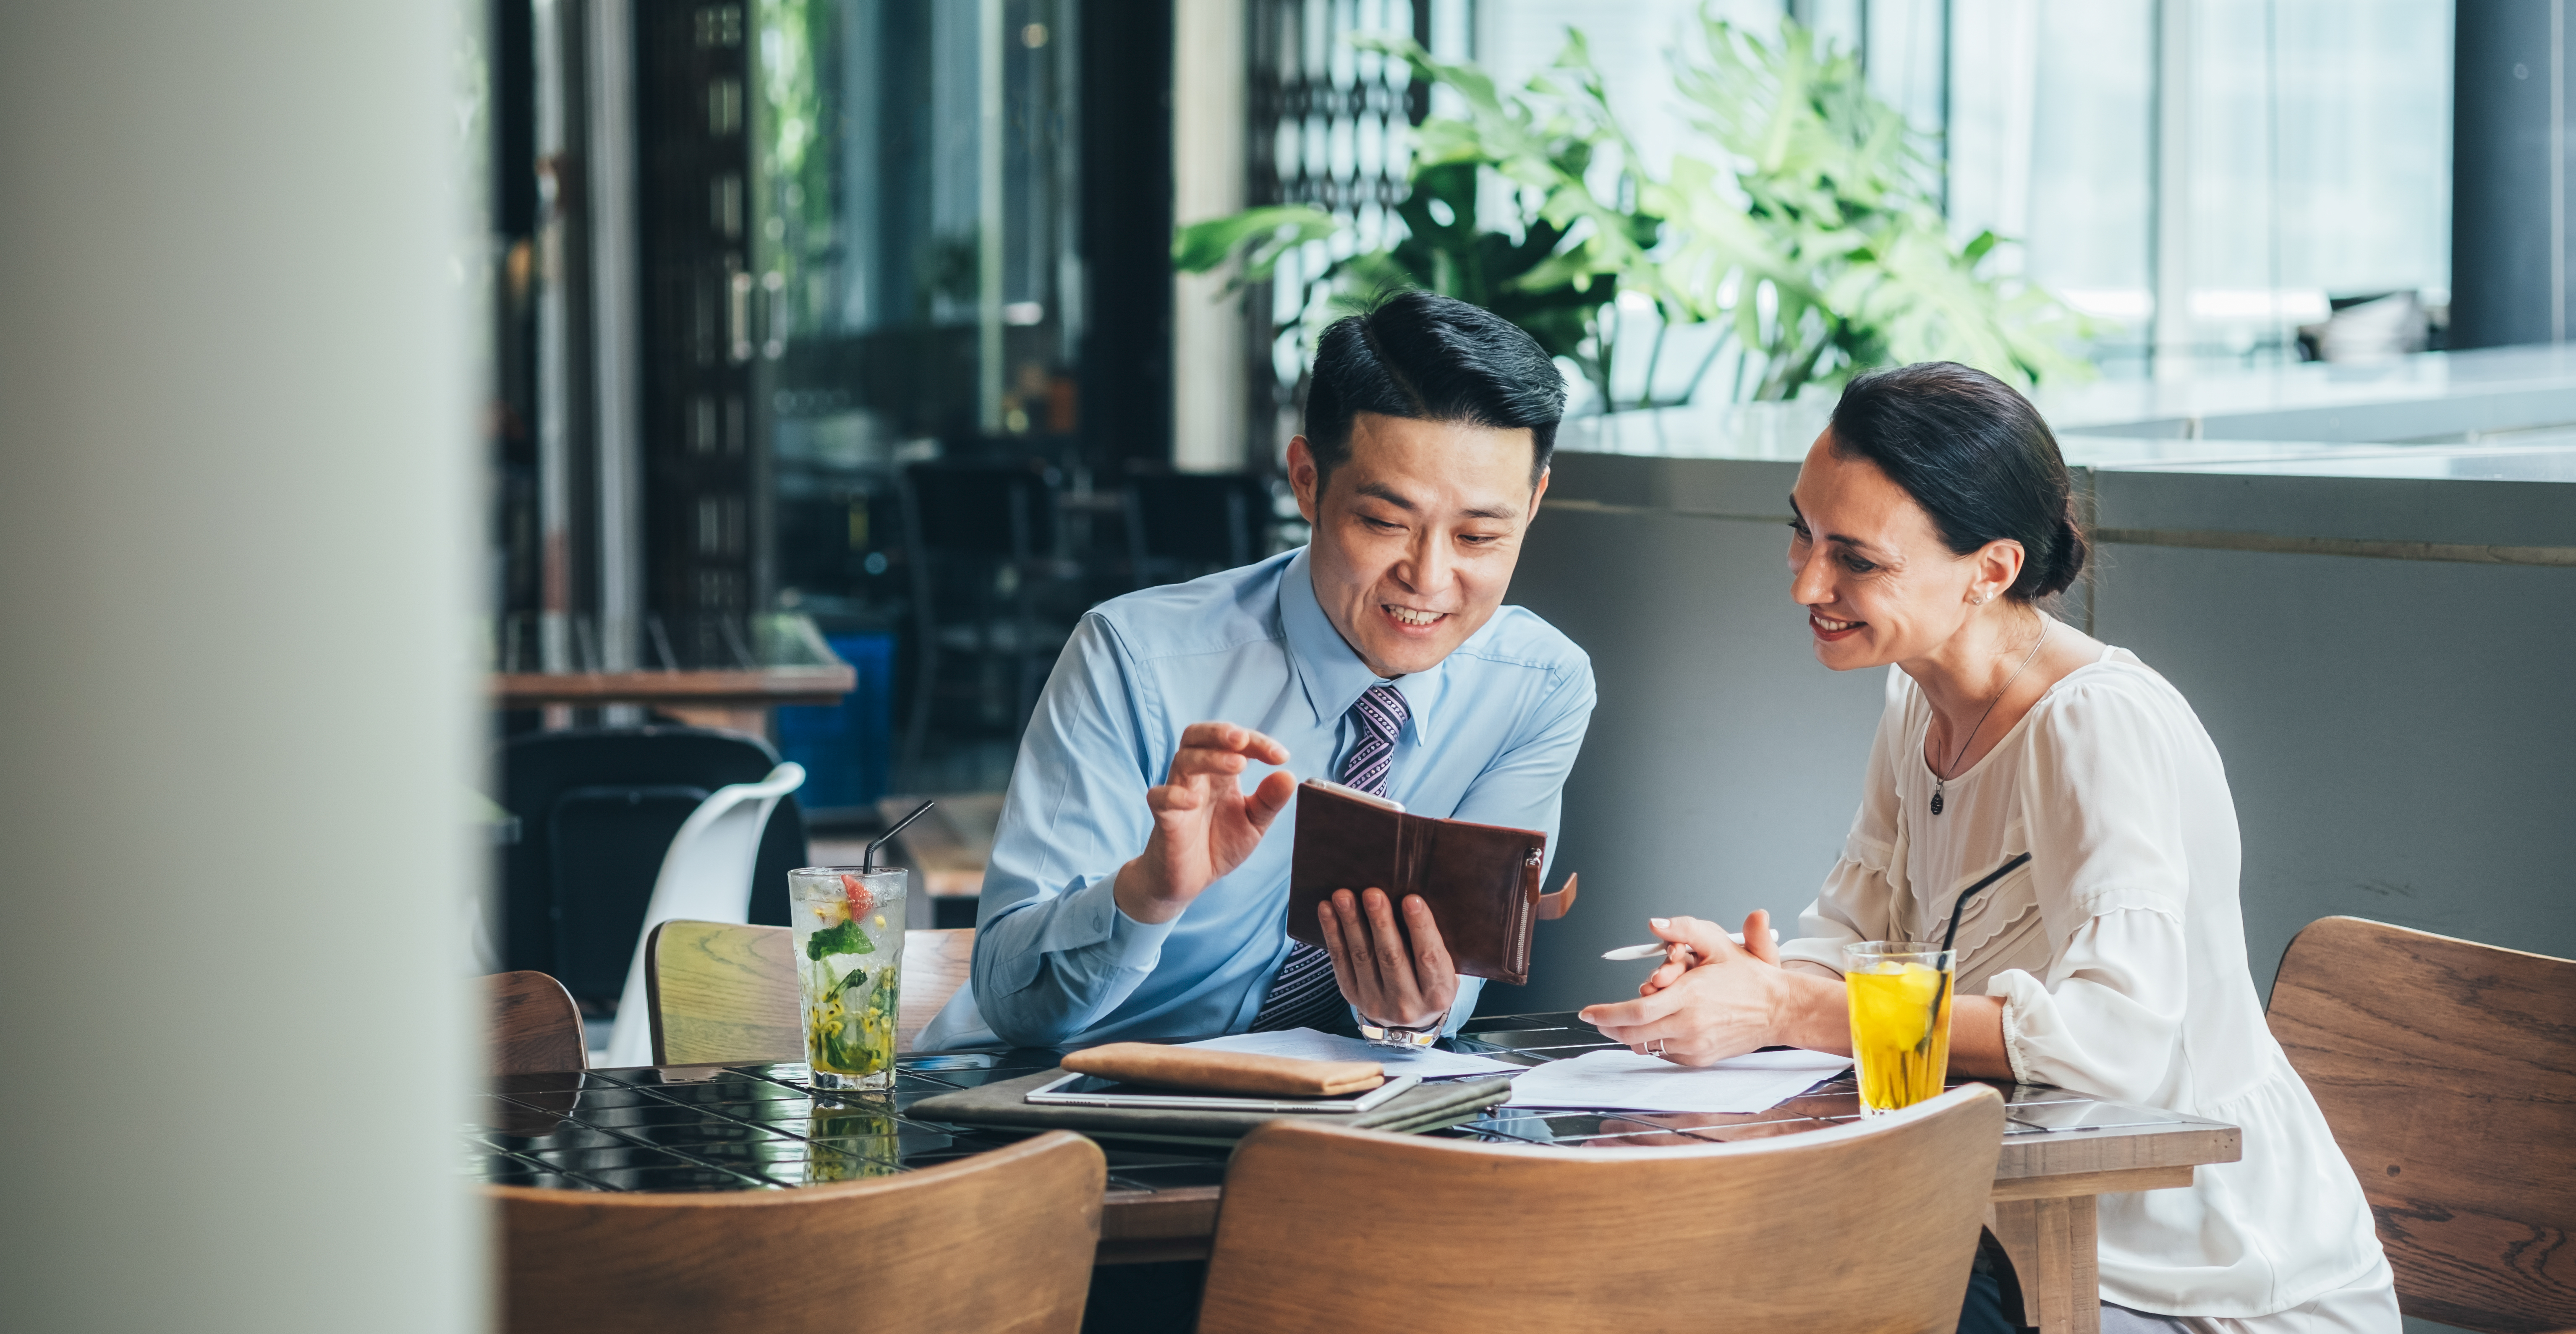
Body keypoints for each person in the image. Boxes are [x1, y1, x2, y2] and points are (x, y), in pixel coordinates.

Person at [1580, 362, 2394, 1333]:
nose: (1807, 580)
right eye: (1801, 528)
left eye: (1857, 559)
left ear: (1992, 569)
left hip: (2195, 1277)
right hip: (2007, 1230)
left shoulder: (2093, 725)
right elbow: (1856, 936)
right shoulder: (1916, 699)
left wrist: (1796, 1007)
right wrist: (1756, 979)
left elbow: (2113, 1045)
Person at [920, 290, 1595, 1051]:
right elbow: (1013, 1007)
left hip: (1328, 1121)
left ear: (1532, 504)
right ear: (1306, 480)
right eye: (1383, 523)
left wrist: (1412, 1014)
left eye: (1477, 537)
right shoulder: (1136, 658)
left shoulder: (1536, 688)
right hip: (1062, 1103)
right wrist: (1148, 892)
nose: (1429, 578)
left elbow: (1452, 981)